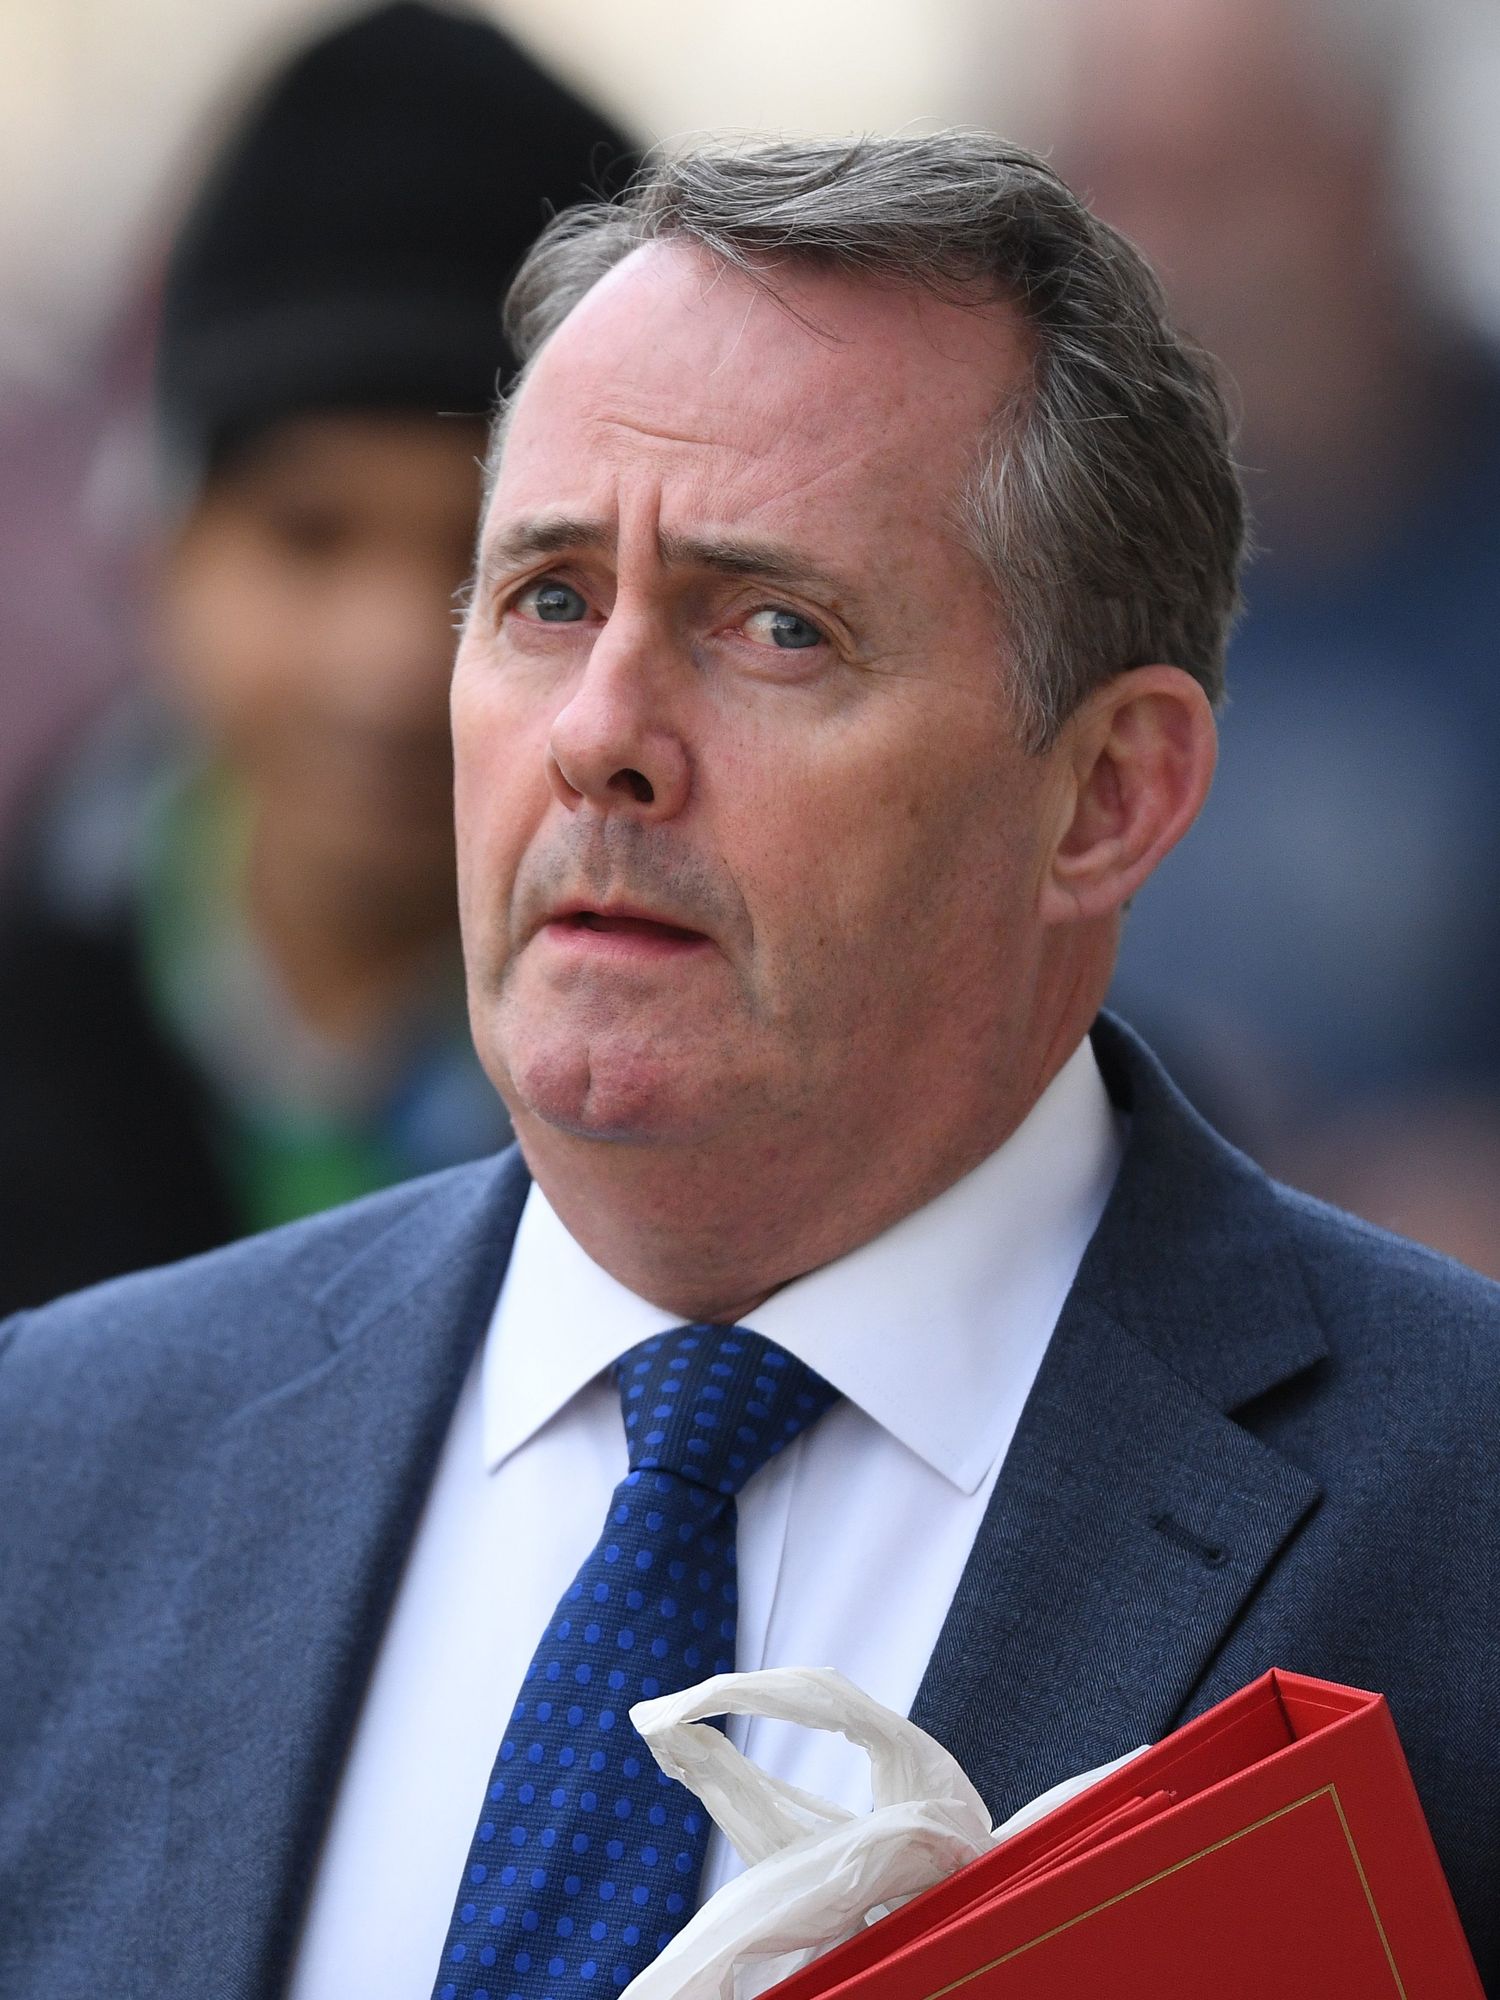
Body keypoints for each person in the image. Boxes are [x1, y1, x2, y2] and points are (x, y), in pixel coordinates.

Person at [1, 135, 1496, 1999]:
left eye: (774, 627)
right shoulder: (57, 1468)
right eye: (547, 596)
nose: (601, 737)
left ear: (1108, 795)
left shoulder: (1458, 1522)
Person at [0, 0, 631, 1314]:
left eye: (505, 570)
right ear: (161, 553)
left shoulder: (764, 1119)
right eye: (308, 535)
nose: (393, 664)